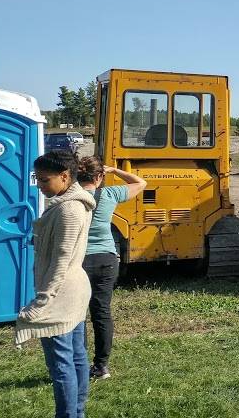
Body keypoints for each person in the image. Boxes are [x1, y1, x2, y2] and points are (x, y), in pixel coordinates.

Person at [15, 151, 96, 418]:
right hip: (71, 289)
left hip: (61, 293)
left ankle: (70, 414)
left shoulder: (69, 208)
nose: (40, 185)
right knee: (75, 356)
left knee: (63, 364)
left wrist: (43, 300)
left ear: (65, 176)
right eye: (37, 179)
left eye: (44, 180)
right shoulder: (66, 202)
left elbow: (62, 258)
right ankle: (77, 413)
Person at [77, 157, 147, 380]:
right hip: (106, 260)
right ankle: (101, 366)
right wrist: (115, 169)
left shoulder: (72, 197)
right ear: (99, 177)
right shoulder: (110, 194)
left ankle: (78, 364)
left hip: (79, 261)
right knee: (101, 313)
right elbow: (140, 183)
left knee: (77, 315)